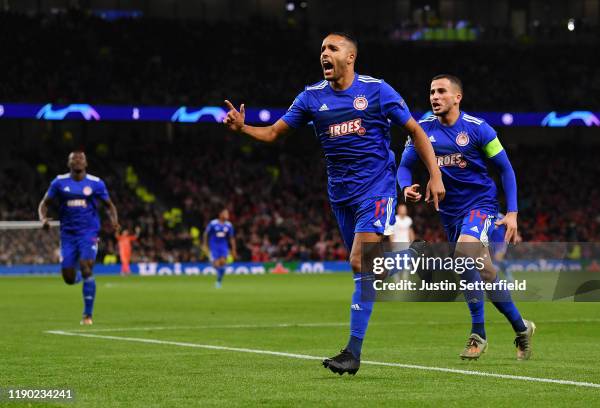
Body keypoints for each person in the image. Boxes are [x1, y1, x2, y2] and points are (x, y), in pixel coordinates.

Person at [223, 32, 444, 375]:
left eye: (332, 48)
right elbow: (274, 133)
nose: (324, 54)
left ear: (351, 57)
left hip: (377, 188)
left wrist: (435, 175)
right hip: (340, 195)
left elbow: (416, 131)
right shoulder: (311, 97)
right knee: (371, 270)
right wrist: (243, 128)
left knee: (360, 261)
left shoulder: (377, 90)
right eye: (322, 49)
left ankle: (352, 353)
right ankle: (409, 256)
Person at [397, 74, 535, 361]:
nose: (435, 96)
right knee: (483, 272)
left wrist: (512, 213)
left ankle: (478, 334)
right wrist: (405, 186)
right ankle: (522, 328)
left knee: (463, 255)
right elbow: (405, 167)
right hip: (448, 214)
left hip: (480, 205)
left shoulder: (478, 129)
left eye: (442, 91)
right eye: (432, 91)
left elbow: (506, 169)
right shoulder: (421, 130)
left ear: (457, 97)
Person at [38, 151, 119, 325]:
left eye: (80, 158)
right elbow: (44, 204)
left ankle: (87, 315)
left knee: (86, 266)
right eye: (74, 159)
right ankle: (80, 277)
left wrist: (114, 221)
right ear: (69, 163)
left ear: (86, 163)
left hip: (89, 232)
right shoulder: (59, 182)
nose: (77, 161)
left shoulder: (96, 183)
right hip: (67, 234)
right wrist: (43, 219)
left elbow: (109, 205)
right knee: (68, 277)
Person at [203, 208, 237, 288]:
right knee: (217, 264)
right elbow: (206, 234)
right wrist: (205, 245)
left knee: (222, 262)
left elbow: (232, 238)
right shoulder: (213, 223)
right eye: (225, 213)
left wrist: (234, 249)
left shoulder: (229, 225)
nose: (227, 215)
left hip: (223, 246)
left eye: (228, 214)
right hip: (214, 245)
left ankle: (218, 281)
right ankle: (219, 278)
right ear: (220, 214)